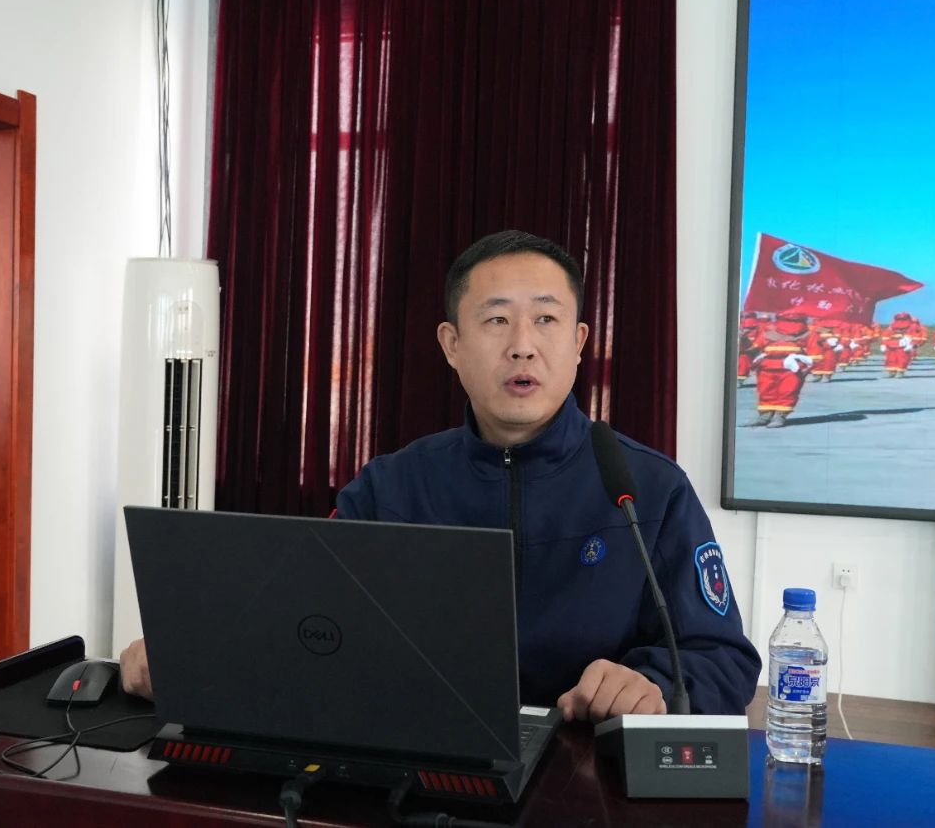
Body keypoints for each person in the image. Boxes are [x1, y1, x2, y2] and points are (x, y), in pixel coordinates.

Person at [120, 230, 762, 721]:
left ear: (579, 342)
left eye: (546, 319)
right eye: (496, 320)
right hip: (419, 776)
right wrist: (197, 649)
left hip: (584, 780)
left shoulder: (646, 489)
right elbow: (305, 625)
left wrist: (653, 687)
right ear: (452, 345)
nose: (522, 344)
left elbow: (722, 659)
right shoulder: (391, 487)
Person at [747, 311, 813, 428]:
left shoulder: (808, 333)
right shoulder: (769, 332)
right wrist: (743, 340)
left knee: (787, 391)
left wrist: (806, 368)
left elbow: (814, 353)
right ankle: (766, 415)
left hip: (791, 367)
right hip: (767, 365)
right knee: (766, 390)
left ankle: (779, 416)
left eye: (793, 321)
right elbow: (755, 347)